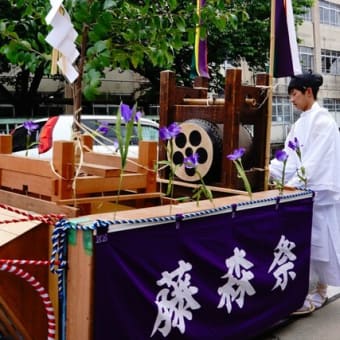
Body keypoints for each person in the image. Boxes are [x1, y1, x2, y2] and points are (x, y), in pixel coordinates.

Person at [269, 71, 340, 315]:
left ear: (309, 92)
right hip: (300, 193)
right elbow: (287, 156)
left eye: (294, 94)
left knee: (320, 246)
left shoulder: (324, 122)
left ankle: (318, 292)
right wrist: (269, 171)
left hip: (318, 195)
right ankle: (302, 291)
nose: (291, 100)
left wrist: (293, 185)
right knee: (304, 243)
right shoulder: (300, 123)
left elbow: (316, 161)